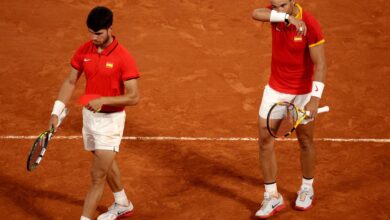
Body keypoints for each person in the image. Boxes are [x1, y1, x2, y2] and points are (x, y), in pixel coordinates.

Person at [48, 6, 140, 220]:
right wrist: (56, 111)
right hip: (90, 118)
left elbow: (134, 96)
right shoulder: (85, 50)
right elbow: (71, 81)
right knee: (105, 163)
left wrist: (104, 100)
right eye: (90, 32)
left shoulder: (123, 57)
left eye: (98, 33)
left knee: (97, 176)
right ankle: (123, 204)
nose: (94, 38)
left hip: (111, 122)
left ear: (110, 29)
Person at [252, 0, 327, 218]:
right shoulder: (277, 16)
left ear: (293, 1)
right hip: (275, 90)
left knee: (305, 140)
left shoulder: (310, 23)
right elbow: (255, 13)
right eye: (274, 6)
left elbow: (321, 64)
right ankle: (272, 196)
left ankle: (307, 187)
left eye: (283, 6)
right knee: (264, 141)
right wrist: (286, 17)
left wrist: (314, 99)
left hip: (302, 93)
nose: (277, 9)